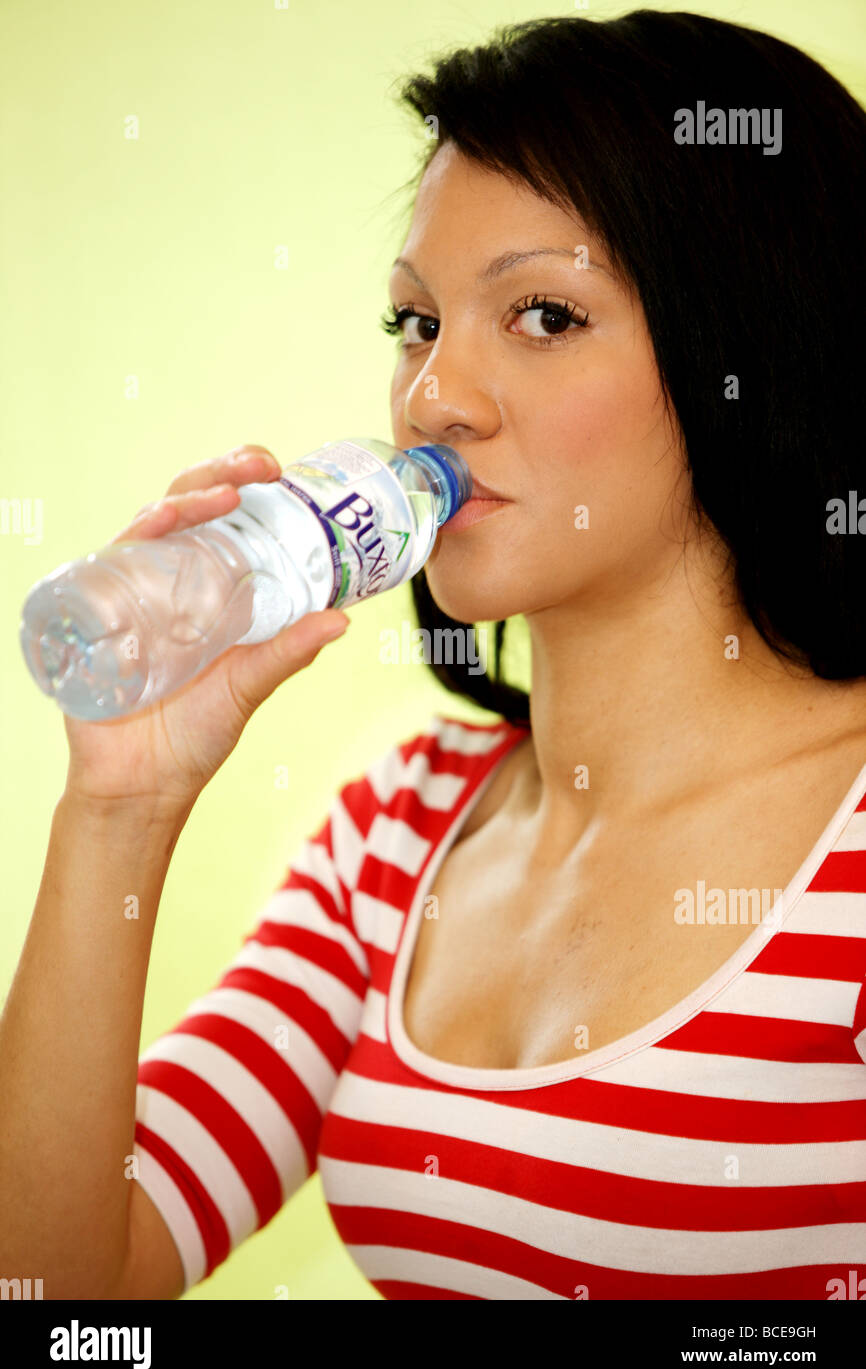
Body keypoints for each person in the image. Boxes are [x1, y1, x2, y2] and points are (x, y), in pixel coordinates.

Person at [2, 9, 865, 1301]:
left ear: (745, 352)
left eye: (541, 313)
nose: (433, 397)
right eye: (414, 321)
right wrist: (117, 809)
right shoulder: (392, 835)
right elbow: (58, 1301)